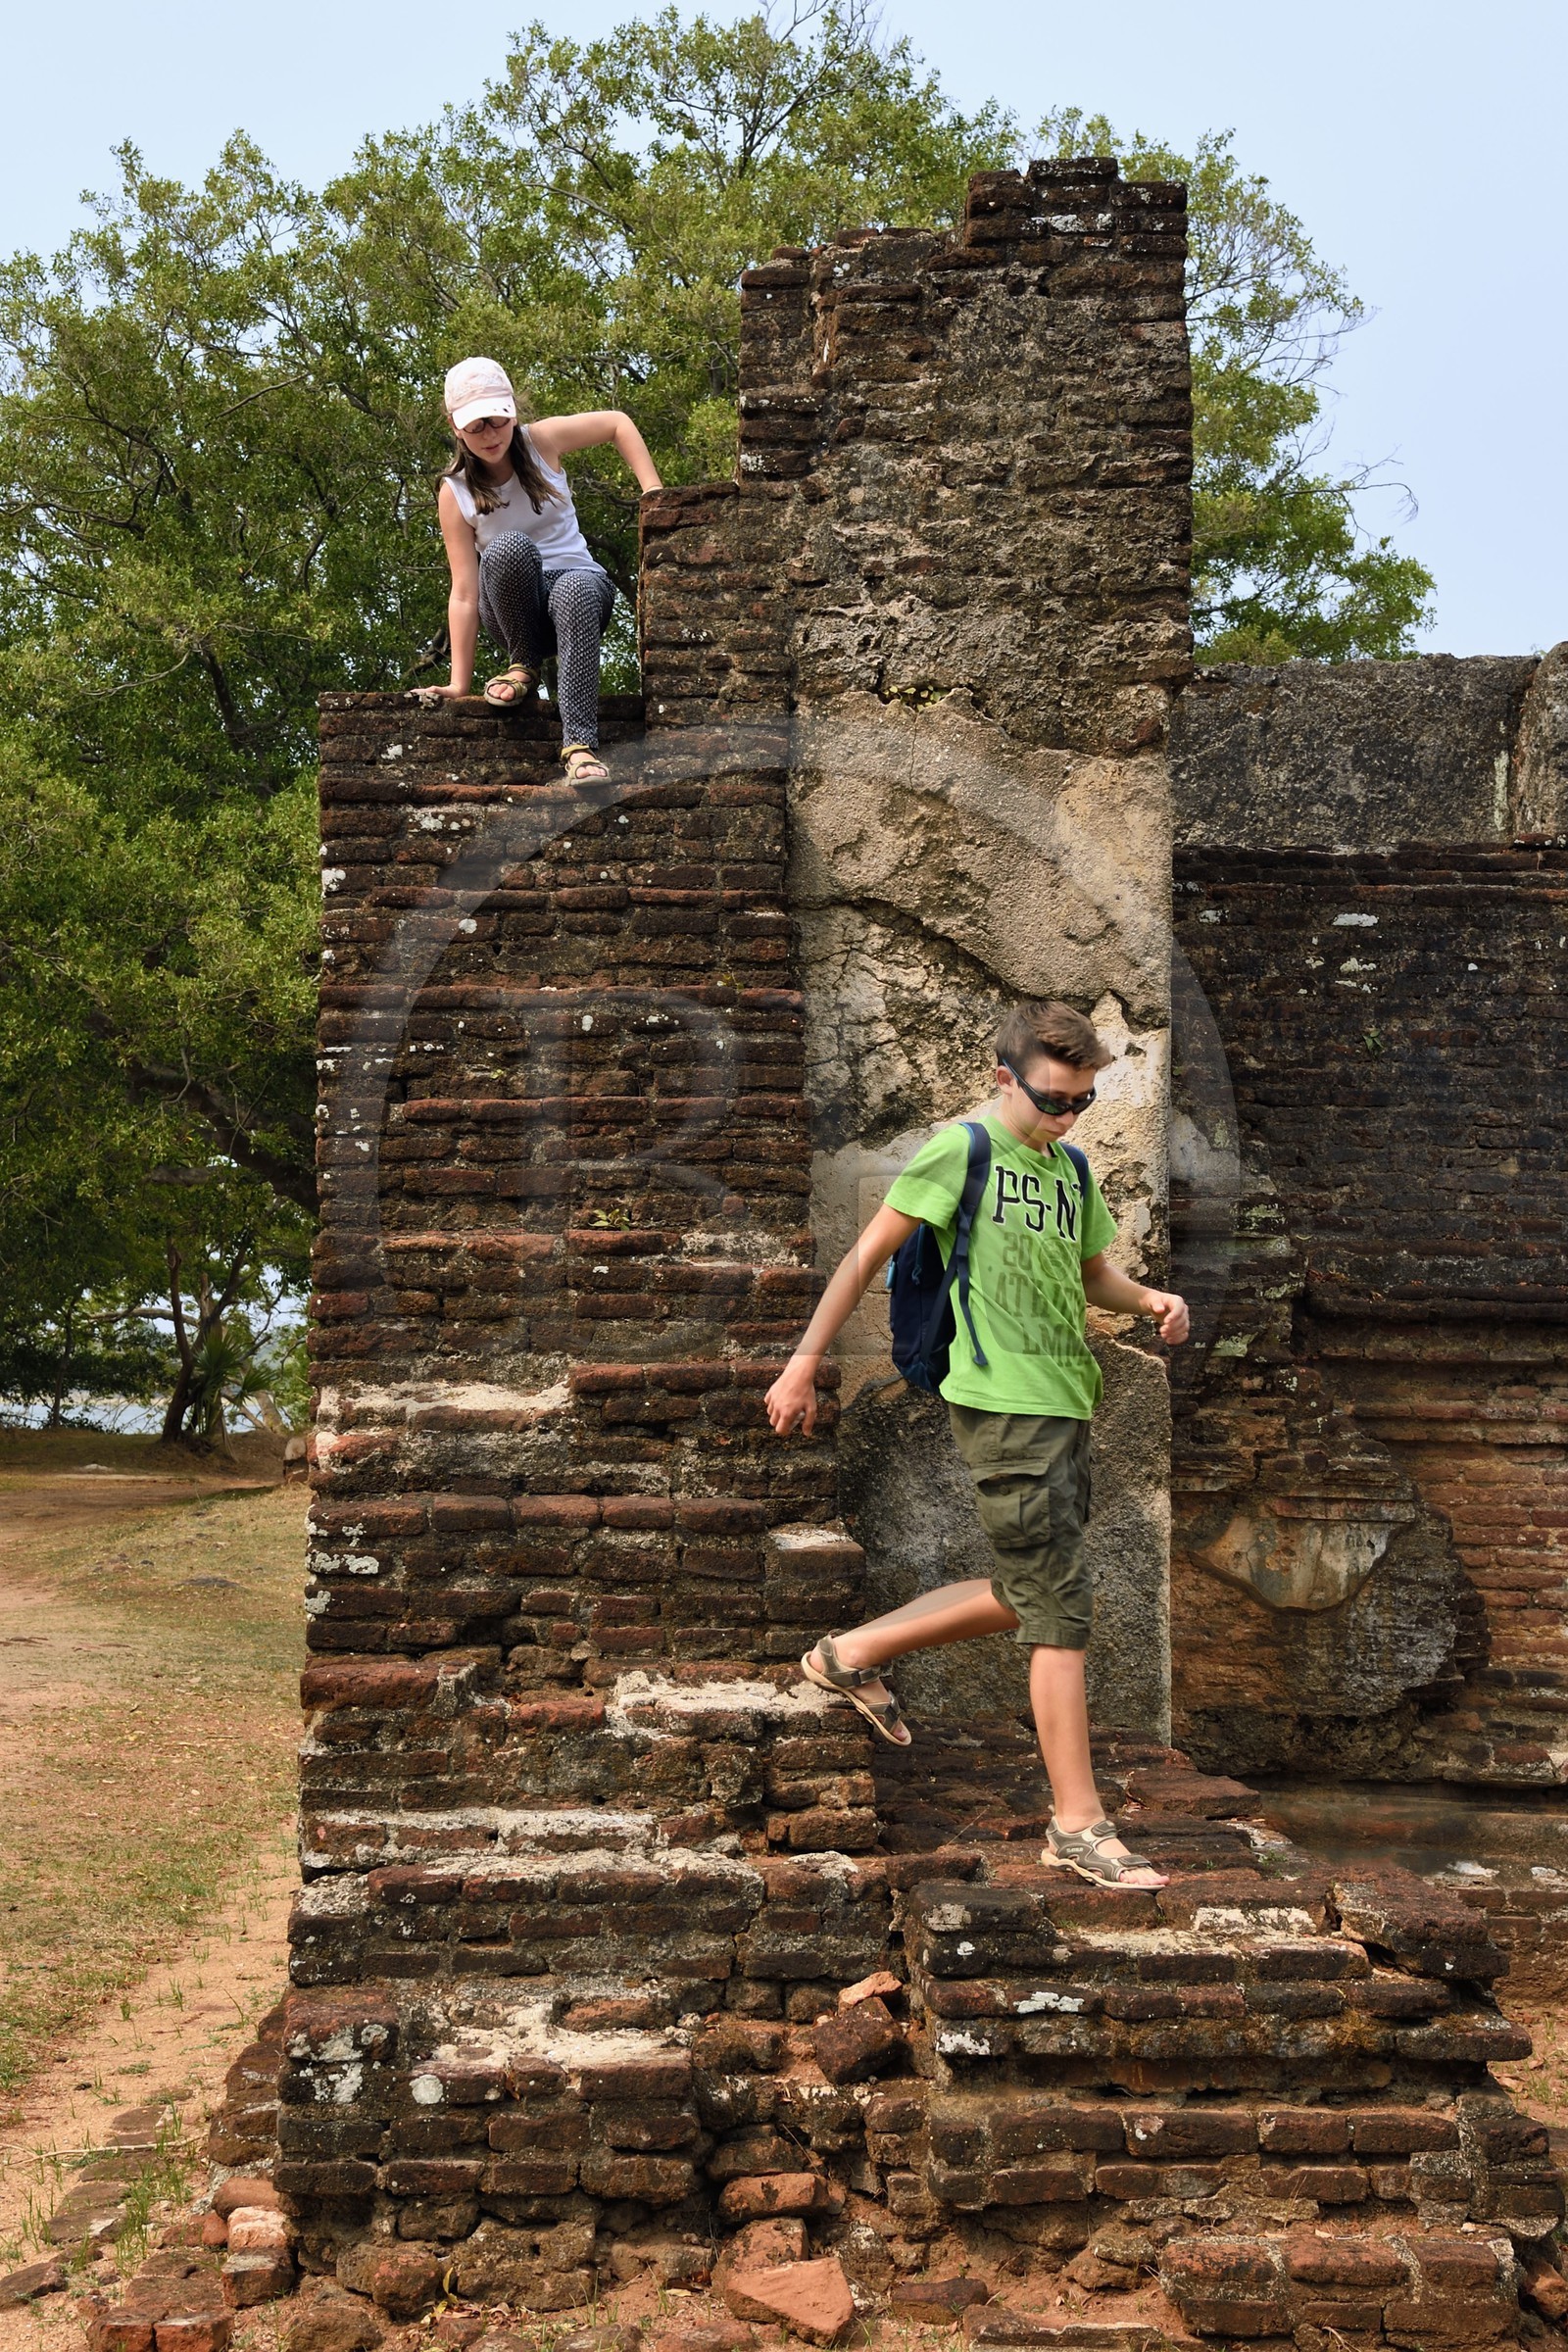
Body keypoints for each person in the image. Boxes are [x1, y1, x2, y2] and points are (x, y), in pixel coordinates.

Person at [763, 1001, 1191, 1891]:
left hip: (1070, 1399)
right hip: (998, 1402)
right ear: (1006, 1079)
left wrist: (1147, 1298)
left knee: (1030, 1591)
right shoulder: (963, 1152)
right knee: (1060, 1610)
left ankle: (848, 1654)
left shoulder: (1069, 1168)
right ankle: (1078, 1824)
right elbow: (867, 1256)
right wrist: (803, 1365)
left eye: (1083, 1101)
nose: (1068, 1116)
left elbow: (1090, 1275)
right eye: (1053, 1099)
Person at [414, 357, 662, 781]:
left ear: (511, 410)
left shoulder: (541, 441)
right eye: (475, 425)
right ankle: (522, 663)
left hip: (578, 592)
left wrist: (654, 493)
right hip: (514, 608)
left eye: (496, 419)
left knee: (577, 587)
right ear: (456, 426)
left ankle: (580, 747)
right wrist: (459, 684)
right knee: (509, 546)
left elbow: (618, 423)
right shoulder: (455, 492)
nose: (489, 434)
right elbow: (464, 593)